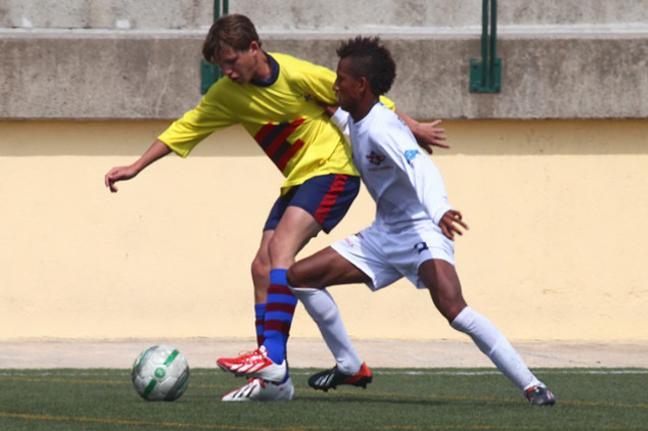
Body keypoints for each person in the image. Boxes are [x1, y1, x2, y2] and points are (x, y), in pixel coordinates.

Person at [104, 15, 446, 402]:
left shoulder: (296, 74)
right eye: (222, 65)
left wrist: (412, 125)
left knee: (282, 249)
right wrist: (135, 166)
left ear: (255, 48)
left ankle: (272, 358)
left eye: (232, 61)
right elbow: (186, 128)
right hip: (298, 180)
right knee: (262, 267)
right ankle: (275, 383)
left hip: (333, 170)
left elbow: (367, 101)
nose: (227, 71)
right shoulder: (225, 94)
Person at [217, 36, 556, 406]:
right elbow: (336, 112)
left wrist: (440, 209)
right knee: (299, 277)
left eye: (341, 79)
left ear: (360, 85)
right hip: (382, 236)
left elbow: (420, 165)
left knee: (454, 310)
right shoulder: (358, 118)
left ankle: (531, 384)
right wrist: (300, 93)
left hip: (421, 230)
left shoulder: (383, 128)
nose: (334, 84)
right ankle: (349, 364)